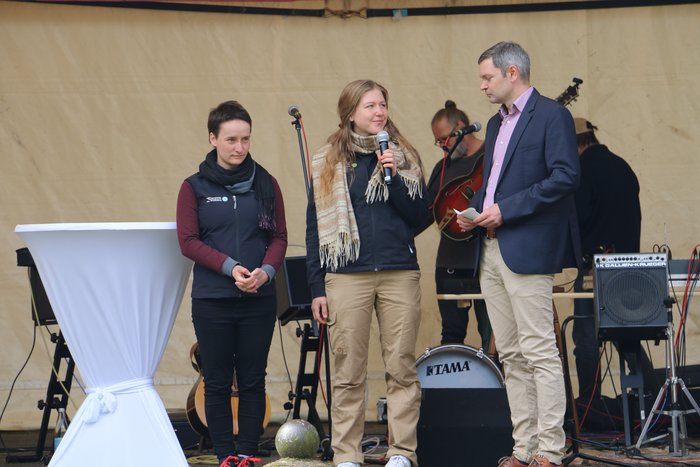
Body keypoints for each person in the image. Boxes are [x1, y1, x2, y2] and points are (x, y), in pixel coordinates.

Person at [457, 42, 581, 467]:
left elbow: (565, 176)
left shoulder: (552, 115)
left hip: (526, 246)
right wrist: (473, 210)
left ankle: (550, 448)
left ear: (513, 73)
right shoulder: (495, 125)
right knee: (510, 352)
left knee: (539, 350)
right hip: (490, 246)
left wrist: (505, 210)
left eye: (487, 77)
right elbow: (496, 183)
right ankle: (524, 448)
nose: (482, 85)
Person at [305, 79, 429, 467]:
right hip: (346, 276)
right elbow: (315, 228)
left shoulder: (402, 155)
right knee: (347, 370)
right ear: (350, 113)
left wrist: (390, 177)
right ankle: (346, 455)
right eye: (369, 106)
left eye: (382, 105)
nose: (378, 112)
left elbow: (420, 217)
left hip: (398, 271)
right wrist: (316, 286)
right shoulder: (328, 160)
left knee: (402, 367)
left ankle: (401, 452)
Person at [176, 100, 288, 467]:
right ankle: (225, 455)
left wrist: (265, 273)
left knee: (254, 379)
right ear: (213, 138)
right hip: (213, 300)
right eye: (231, 140)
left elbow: (280, 238)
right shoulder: (193, 188)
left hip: (259, 297)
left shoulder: (266, 184)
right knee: (218, 380)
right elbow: (188, 241)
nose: (239, 148)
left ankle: (249, 454)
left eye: (245, 139)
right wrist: (231, 267)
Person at [571, 118, 654, 414]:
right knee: (625, 334)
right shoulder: (622, 166)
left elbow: (578, 219)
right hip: (629, 267)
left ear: (576, 143)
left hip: (596, 268)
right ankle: (652, 399)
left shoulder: (583, 170)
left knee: (586, 338)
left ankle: (589, 405)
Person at [418, 100, 492, 349]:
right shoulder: (444, 167)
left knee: (491, 331)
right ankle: (453, 386)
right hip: (451, 260)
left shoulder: (494, 154)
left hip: (486, 256)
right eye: (439, 142)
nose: (443, 146)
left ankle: (497, 388)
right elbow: (427, 211)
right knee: (451, 334)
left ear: (462, 127)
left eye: (445, 139)